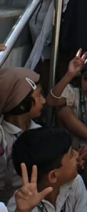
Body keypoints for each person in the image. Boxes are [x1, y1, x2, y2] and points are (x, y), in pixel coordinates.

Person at [7, 128, 87, 212]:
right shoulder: (21, 204)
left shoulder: (75, 182)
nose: (77, 155)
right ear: (53, 176)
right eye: (72, 155)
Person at [0, 68, 46, 202]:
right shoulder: (2, 134)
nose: (43, 101)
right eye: (38, 96)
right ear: (21, 105)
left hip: (32, 199)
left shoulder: (38, 131)